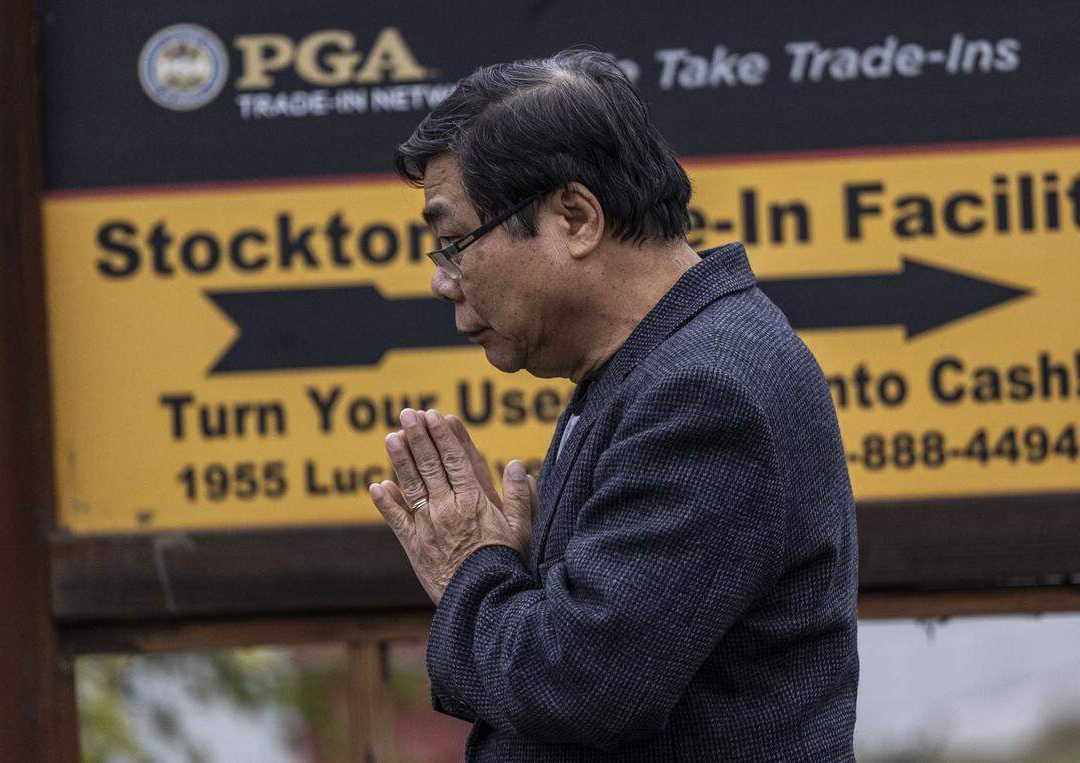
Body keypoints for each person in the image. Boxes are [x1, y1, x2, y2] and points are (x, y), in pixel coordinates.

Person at [366, 47, 859, 761]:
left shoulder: (706, 390)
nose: (444, 280)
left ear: (574, 217)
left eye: (454, 242)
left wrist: (472, 568)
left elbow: (581, 685)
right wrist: (529, 575)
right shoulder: (642, 365)